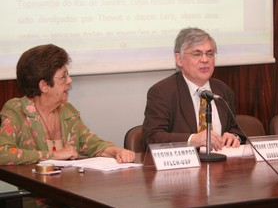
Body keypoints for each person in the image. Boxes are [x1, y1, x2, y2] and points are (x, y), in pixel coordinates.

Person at [0, 44, 135, 165]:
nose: (69, 80)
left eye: (68, 75)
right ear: (44, 85)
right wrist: (54, 155)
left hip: (67, 187)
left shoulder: (67, 110)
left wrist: (117, 151)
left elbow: (92, 144)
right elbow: (3, 153)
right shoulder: (17, 110)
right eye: (63, 77)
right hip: (36, 189)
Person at [142, 27, 244, 151]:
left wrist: (234, 136)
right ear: (179, 59)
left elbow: (235, 128)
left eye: (210, 54)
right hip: (183, 168)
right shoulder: (162, 92)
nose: (205, 60)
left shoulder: (223, 90)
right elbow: (151, 137)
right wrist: (192, 140)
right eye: (197, 54)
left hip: (222, 164)